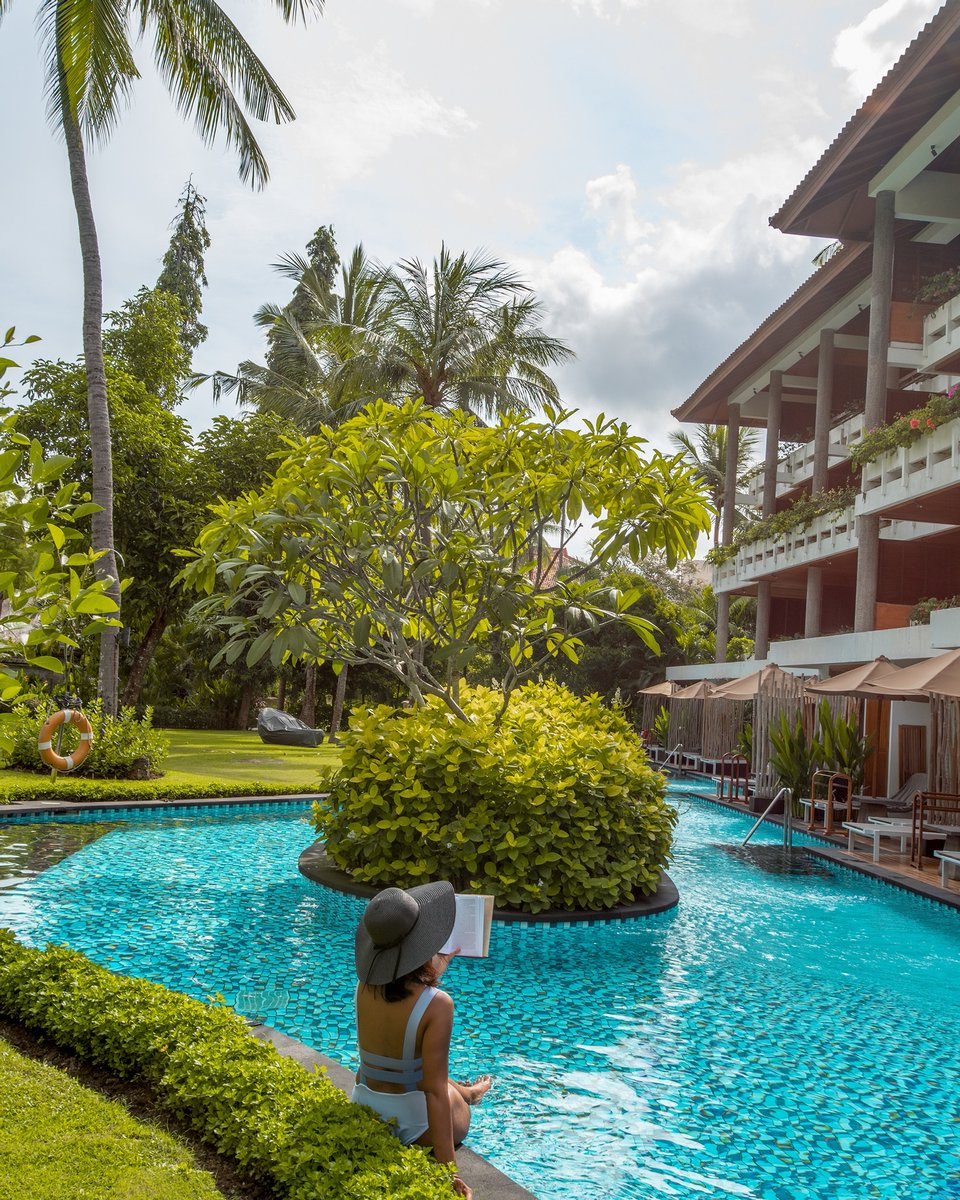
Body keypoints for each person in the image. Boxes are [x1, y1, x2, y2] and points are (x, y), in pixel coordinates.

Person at [351, 881, 492, 1199]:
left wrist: (430, 970)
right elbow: (433, 1093)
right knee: (440, 1086)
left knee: (421, 1070)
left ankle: (468, 1090)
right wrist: (449, 1174)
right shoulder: (438, 1004)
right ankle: (468, 1096)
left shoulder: (363, 987)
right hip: (415, 1125)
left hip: (366, 1105)